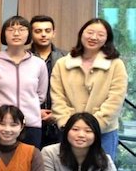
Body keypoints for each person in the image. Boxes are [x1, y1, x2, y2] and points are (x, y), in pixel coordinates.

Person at [49, 18, 128, 161]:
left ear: (107, 39)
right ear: (81, 34)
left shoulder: (116, 65)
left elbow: (115, 100)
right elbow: (57, 96)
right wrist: (71, 127)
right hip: (70, 132)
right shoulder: (62, 64)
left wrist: (93, 128)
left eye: (100, 34)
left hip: (104, 133)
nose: (94, 37)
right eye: (90, 32)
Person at [0, 16, 49, 147]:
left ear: (29, 34)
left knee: (28, 163)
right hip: (0, 124)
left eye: (21, 29)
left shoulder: (38, 64)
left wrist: (29, 107)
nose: (16, 33)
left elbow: (41, 95)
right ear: (3, 34)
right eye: (11, 29)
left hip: (31, 124)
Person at [30, 14, 66, 146]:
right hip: (31, 119)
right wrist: (35, 111)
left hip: (60, 119)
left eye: (47, 30)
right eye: (38, 31)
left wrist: (57, 113)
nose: (43, 35)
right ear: (31, 33)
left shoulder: (66, 58)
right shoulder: (24, 57)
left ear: (54, 33)